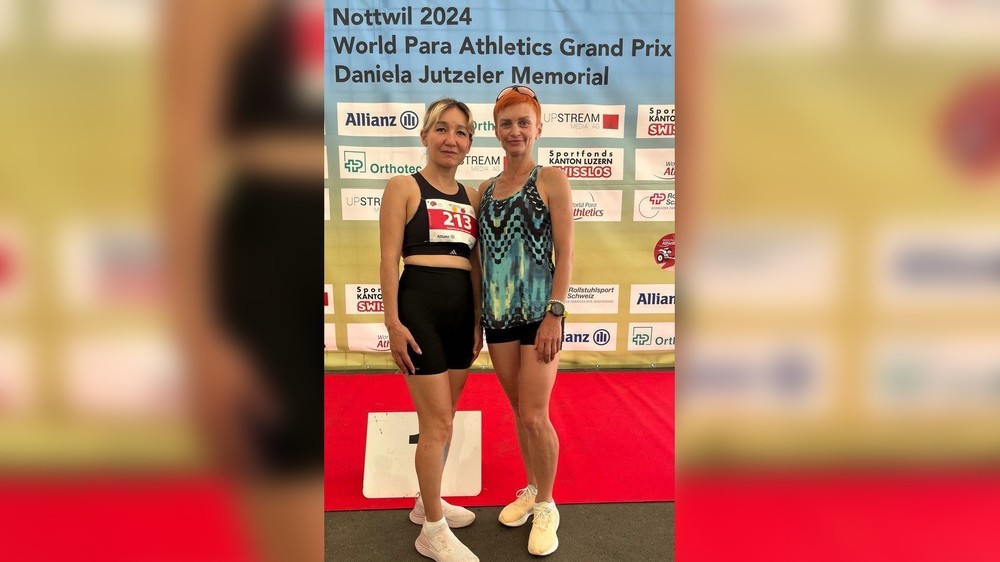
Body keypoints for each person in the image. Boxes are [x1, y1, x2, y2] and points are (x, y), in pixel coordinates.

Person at [379, 98, 484, 562]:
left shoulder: (473, 197)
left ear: (469, 143)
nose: (450, 139)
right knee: (437, 422)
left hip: (461, 312)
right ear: (425, 135)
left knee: (446, 418)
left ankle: (427, 503)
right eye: (441, 129)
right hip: (419, 306)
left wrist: (477, 320)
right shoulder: (403, 186)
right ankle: (433, 531)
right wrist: (392, 321)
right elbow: (388, 259)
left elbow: (476, 266)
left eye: (461, 132)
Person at [478, 85, 574, 557]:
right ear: (496, 131)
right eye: (506, 123)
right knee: (519, 410)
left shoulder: (551, 179)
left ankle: (548, 505)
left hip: (539, 316)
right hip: (497, 318)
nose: (514, 130)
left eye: (523, 122)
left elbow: (566, 253)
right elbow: (478, 259)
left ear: (538, 128)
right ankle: (533, 489)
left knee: (536, 414)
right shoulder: (484, 191)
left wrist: (555, 312)